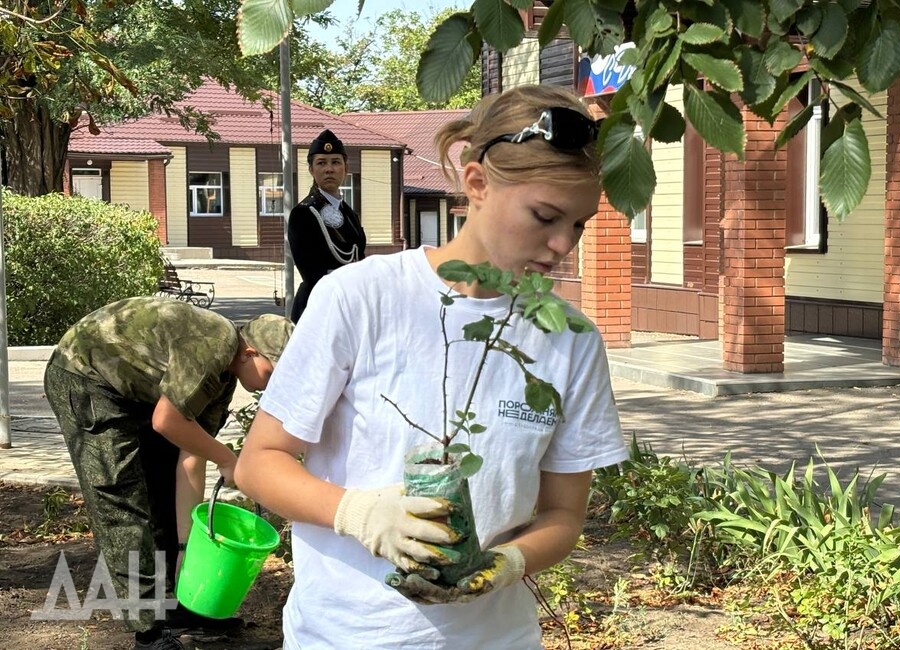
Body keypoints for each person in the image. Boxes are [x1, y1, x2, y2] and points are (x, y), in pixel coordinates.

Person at [235, 84, 628, 649]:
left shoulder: (569, 339)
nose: (563, 244)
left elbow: (564, 515)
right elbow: (259, 463)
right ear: (477, 183)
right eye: (545, 216)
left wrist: (508, 562)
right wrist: (361, 513)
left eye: (580, 223)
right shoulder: (359, 298)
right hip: (349, 634)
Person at [43, 297, 294, 650]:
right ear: (249, 353)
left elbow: (190, 457)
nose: (272, 385)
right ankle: (148, 632)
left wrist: (185, 549)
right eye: (273, 372)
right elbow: (167, 420)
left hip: (131, 392)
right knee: (124, 502)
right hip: (85, 375)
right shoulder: (217, 341)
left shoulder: (223, 384)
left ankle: (178, 603)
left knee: (159, 490)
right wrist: (228, 458)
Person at [287, 128, 367, 323]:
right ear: (311, 170)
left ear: (345, 168)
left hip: (349, 306)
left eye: (335, 162)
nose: (329, 169)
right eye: (321, 163)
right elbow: (311, 273)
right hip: (318, 309)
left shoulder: (350, 214)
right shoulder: (304, 213)